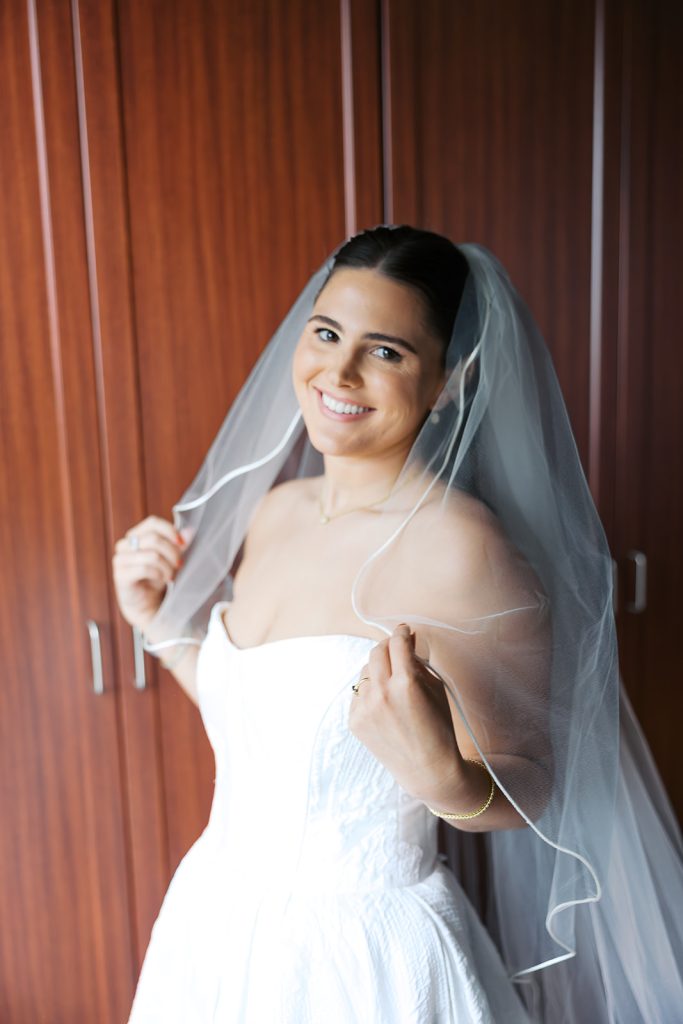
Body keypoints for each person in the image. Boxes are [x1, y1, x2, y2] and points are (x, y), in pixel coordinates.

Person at [113, 227, 683, 1023]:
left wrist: (444, 775)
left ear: (449, 381)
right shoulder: (275, 514)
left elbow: (532, 784)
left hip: (365, 956)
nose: (337, 373)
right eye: (325, 333)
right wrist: (158, 625)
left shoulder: (463, 550)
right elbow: (268, 732)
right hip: (214, 924)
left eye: (385, 352)